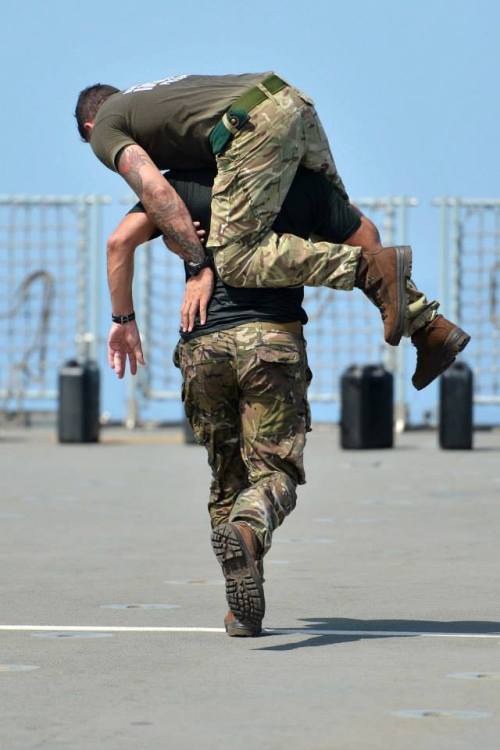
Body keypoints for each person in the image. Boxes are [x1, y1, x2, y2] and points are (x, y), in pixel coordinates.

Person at [104, 167, 468, 635]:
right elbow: (369, 242)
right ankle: (249, 535)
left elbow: (119, 242)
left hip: (203, 347)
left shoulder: (183, 183)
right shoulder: (300, 183)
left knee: (227, 478)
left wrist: (123, 319)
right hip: (271, 343)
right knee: (274, 473)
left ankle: (242, 609)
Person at [74, 72, 470, 391]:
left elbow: (154, 189)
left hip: (251, 125)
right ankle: (430, 329)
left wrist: (197, 265)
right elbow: (360, 230)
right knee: (337, 222)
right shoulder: (155, 101)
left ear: (90, 126)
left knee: (235, 258)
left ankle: (370, 270)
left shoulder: (107, 126)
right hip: (289, 101)